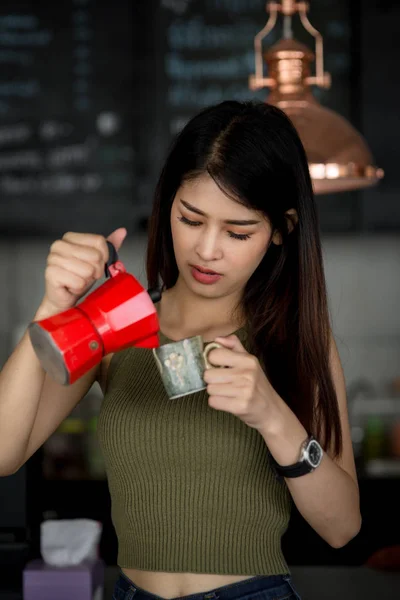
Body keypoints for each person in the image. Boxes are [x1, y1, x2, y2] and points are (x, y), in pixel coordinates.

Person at [0, 100, 361, 600]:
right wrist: (51, 310)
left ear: (281, 229)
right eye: (191, 219)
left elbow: (342, 527)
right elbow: (3, 453)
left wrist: (272, 415)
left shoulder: (296, 337)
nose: (207, 250)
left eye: (238, 231)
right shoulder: (119, 324)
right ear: (167, 204)